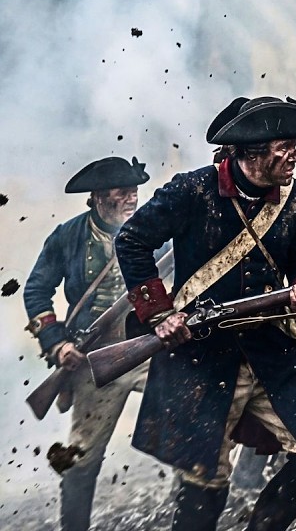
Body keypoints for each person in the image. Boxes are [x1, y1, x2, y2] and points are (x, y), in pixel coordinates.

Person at [115, 96, 296, 531]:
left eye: (294, 145)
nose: (294, 156)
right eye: (284, 146)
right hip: (202, 357)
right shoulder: (193, 190)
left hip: (271, 350)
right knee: (205, 478)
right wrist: (159, 314)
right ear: (252, 152)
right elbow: (132, 240)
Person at [24, 157, 150, 531]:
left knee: (196, 415)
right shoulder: (69, 236)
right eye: (121, 193)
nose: (131, 199)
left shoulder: (151, 228)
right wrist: (58, 345)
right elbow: (36, 291)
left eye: (134, 191)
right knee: (81, 457)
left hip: (149, 348)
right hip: (96, 360)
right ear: (97, 197)